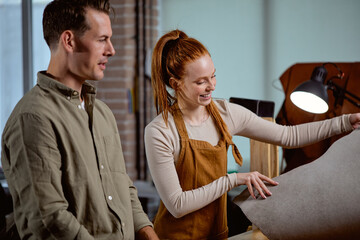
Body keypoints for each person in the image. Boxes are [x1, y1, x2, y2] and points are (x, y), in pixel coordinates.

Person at [144, 29, 360, 240]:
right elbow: (177, 205)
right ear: (176, 84)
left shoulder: (225, 113)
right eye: (201, 82)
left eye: (213, 76)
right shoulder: (160, 132)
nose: (211, 86)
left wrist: (344, 122)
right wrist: (233, 180)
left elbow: (288, 136)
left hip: (218, 234)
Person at [1, 0, 159, 239]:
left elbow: (122, 187)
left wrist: (147, 231)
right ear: (69, 40)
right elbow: (49, 218)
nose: (111, 50)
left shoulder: (103, 113)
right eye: (101, 39)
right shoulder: (33, 118)